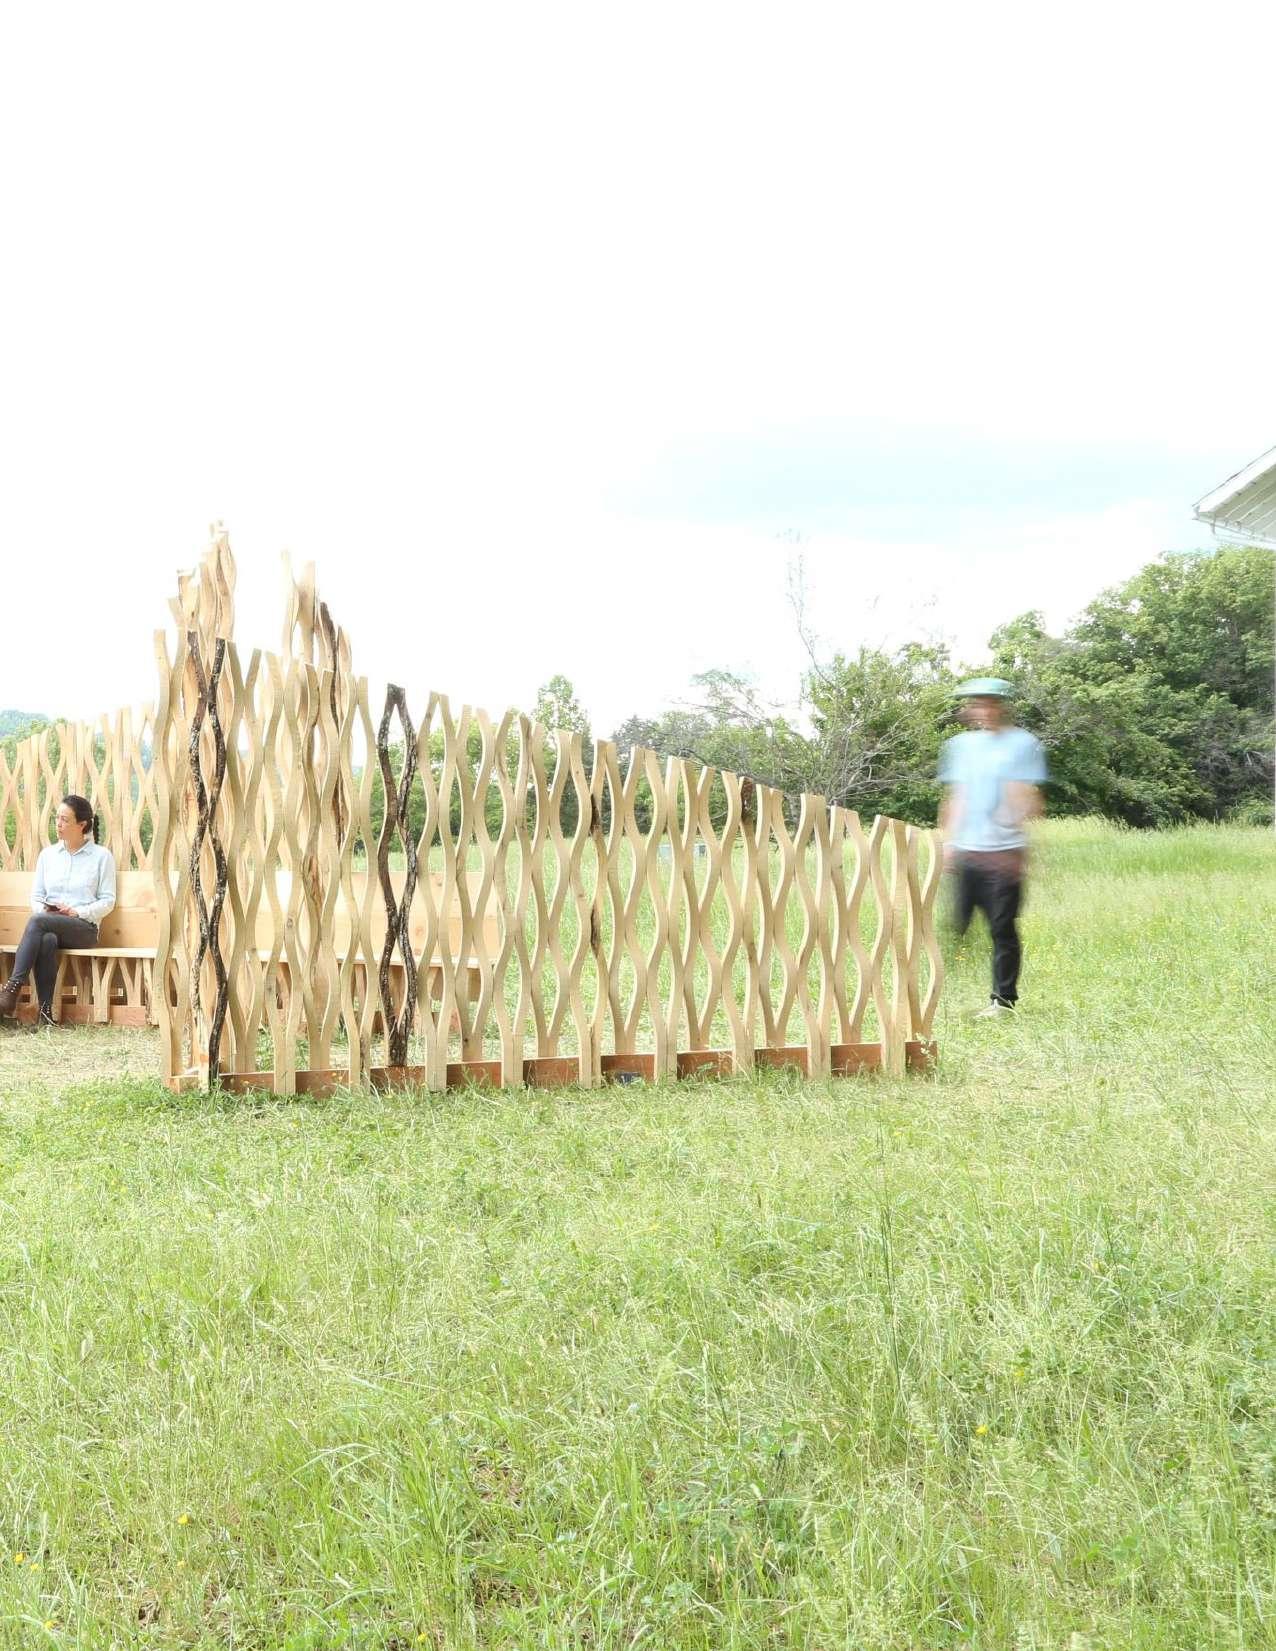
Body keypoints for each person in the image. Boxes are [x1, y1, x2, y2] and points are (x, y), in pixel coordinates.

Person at [937, 679, 1046, 1018]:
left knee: (1002, 927)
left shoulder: (1022, 743)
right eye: (976, 704)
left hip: (1005, 851)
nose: (982, 710)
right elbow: (957, 796)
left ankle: (1003, 1001)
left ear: (1001, 705)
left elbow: (1031, 799)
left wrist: (1017, 835)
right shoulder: (960, 746)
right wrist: (948, 843)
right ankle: (940, 992)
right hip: (967, 850)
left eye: (988, 703)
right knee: (957, 923)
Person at [0, 794, 116, 1026]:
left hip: (83, 929)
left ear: (82, 825)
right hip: (49, 924)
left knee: (37, 922)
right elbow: (36, 896)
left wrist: (76, 912)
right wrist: (45, 909)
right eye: (57, 818)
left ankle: (11, 990)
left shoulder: (101, 857)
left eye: (64, 819)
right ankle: (46, 1016)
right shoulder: (48, 855)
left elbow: (108, 901)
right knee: (47, 939)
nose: (58, 824)